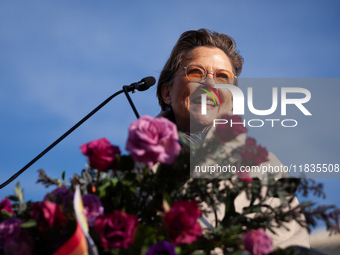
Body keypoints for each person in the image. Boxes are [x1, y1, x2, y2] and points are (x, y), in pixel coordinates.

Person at [155, 29, 310, 249]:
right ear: (167, 92)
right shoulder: (134, 167)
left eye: (222, 77)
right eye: (196, 72)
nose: (210, 85)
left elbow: (289, 246)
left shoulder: (266, 167)